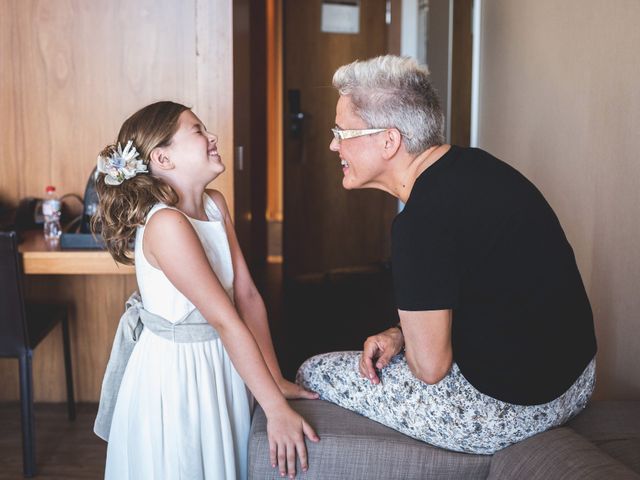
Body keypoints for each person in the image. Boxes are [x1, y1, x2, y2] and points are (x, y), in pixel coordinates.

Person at [296, 55, 597, 454]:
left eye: (343, 132)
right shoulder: (480, 166)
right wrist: (400, 333)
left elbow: (431, 369)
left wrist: (413, 346)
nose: (333, 144)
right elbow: (487, 288)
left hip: (517, 407)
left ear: (389, 141)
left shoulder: (420, 224)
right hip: (579, 381)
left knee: (313, 372)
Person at [93, 101, 319, 479]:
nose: (213, 137)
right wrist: (275, 409)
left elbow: (246, 296)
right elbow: (225, 319)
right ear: (162, 158)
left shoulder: (215, 205)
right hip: (180, 374)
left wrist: (274, 379)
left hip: (224, 360)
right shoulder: (167, 224)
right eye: (198, 131)